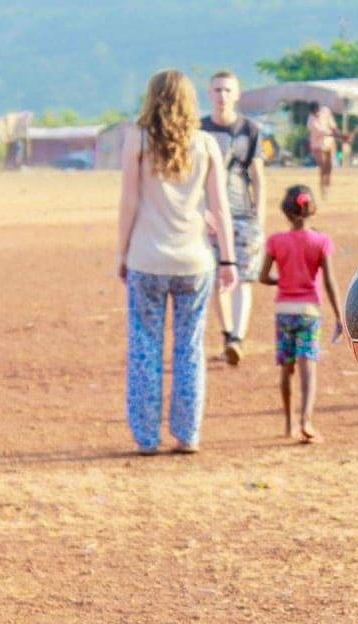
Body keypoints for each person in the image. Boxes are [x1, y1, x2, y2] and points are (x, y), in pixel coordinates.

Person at [117, 69, 237, 456]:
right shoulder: (205, 144)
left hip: (146, 258)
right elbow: (221, 209)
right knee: (189, 348)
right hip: (195, 261)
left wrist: (121, 253)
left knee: (144, 349)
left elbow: (129, 202)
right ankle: (188, 435)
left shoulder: (137, 139)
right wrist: (229, 260)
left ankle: (147, 439)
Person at [258, 185, 343, 444]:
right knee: (308, 368)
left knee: (287, 369)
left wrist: (283, 279)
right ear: (311, 208)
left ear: (286, 209)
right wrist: (339, 316)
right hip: (309, 312)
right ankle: (306, 420)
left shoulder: (275, 241)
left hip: (284, 311)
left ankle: (287, 423)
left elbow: (262, 277)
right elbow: (328, 281)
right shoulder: (321, 241)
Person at [200, 70, 265, 365]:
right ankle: (227, 333)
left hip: (242, 215)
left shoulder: (249, 130)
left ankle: (238, 336)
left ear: (237, 94)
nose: (222, 95)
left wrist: (259, 218)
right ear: (209, 93)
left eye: (227, 90)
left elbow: (258, 178)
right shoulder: (198, 130)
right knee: (216, 278)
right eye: (217, 90)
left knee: (244, 279)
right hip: (208, 215)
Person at [306, 102, 338, 199]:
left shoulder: (326, 111)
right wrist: (339, 135)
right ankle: (323, 189)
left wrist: (338, 133)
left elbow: (332, 125)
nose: (316, 114)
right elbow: (321, 131)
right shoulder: (310, 121)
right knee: (323, 166)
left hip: (329, 143)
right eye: (314, 113)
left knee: (329, 167)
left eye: (317, 112)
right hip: (318, 146)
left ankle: (327, 187)